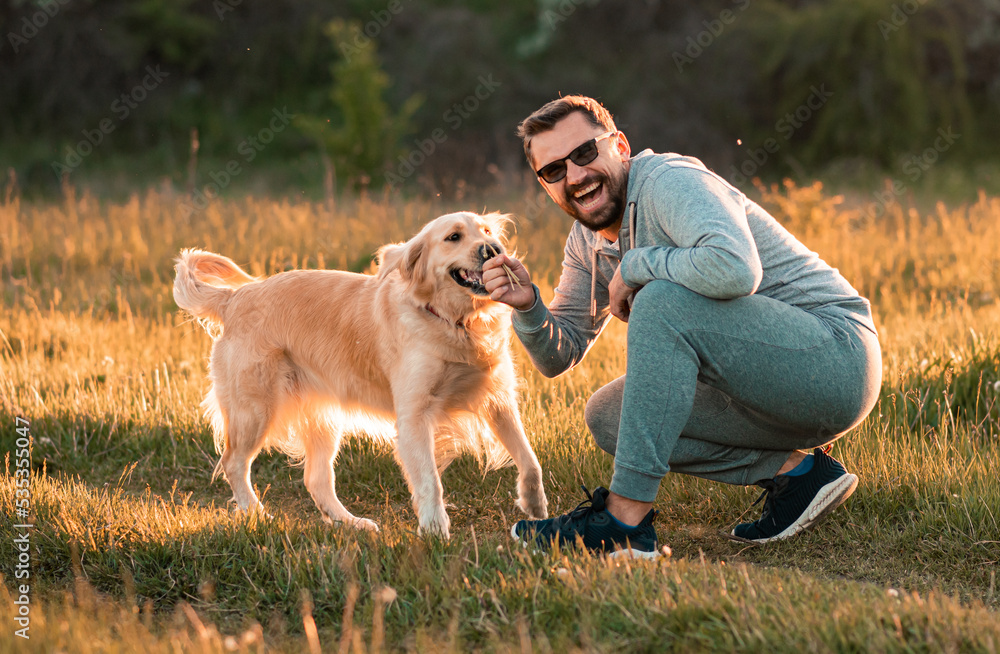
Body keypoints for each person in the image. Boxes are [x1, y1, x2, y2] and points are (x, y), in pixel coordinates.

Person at [482, 95, 882, 558]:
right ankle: (798, 476)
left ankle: (623, 522)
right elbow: (558, 356)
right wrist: (528, 305)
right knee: (609, 416)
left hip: (836, 360)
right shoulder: (586, 242)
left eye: (585, 154)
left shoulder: (669, 181)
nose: (574, 176)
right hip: (764, 390)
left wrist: (636, 266)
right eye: (553, 171)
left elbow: (736, 268)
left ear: (621, 145)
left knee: (660, 298)